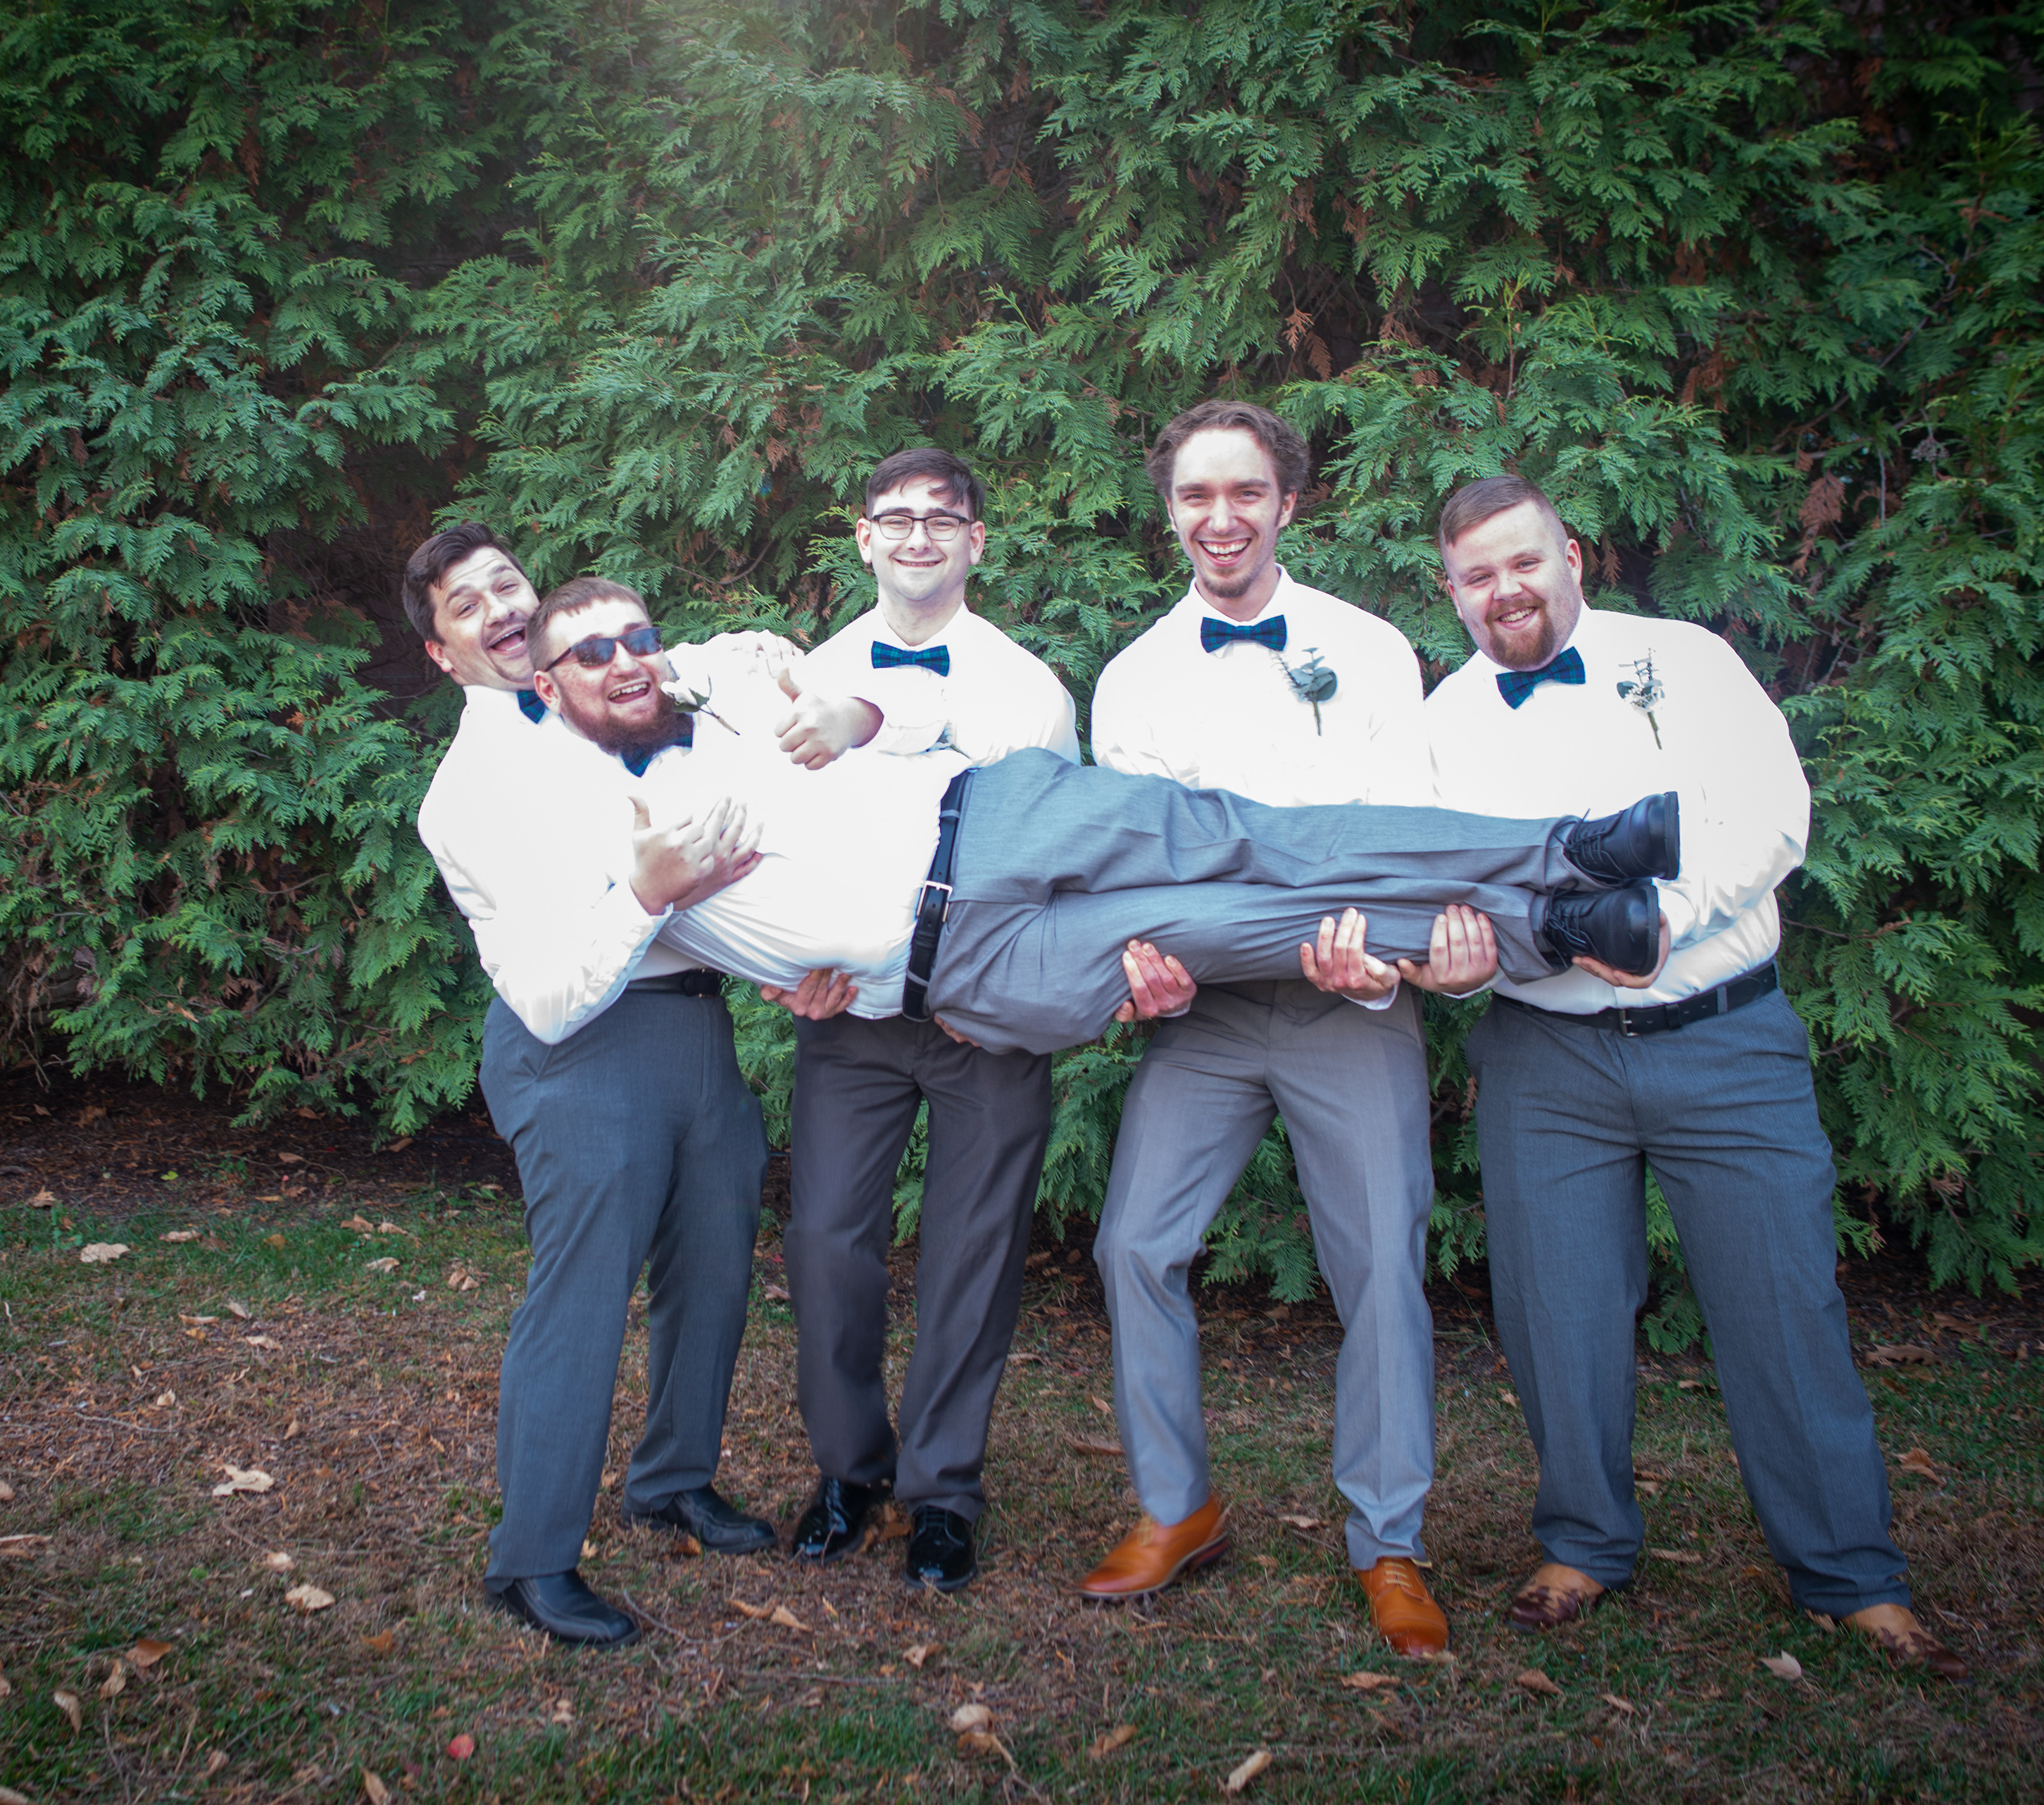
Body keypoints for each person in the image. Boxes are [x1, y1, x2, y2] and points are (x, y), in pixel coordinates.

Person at [1419, 474, 1967, 1681]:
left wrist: (1665, 919)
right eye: (1477, 576)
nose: (1506, 591)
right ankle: (1583, 1541)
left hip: (1726, 1039)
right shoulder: (1444, 720)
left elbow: (1774, 815)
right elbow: (1449, 895)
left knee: (1782, 1302)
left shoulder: (1686, 660)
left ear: (1572, 555)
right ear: (1451, 592)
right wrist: (1455, 973)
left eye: (1524, 562)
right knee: (1556, 1311)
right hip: (1545, 1056)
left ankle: (1849, 1572)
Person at [507, 575, 1681, 1061]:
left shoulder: (727, 681)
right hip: (965, 968)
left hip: (996, 815)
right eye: (592, 654)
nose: (626, 661)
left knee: (1264, 838)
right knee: (1258, 929)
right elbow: (551, 1004)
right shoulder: (581, 826)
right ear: (547, 688)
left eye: (637, 637)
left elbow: (901, 701)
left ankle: (1573, 850)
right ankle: (1563, 928)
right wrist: (648, 897)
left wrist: (824, 699)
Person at [406, 523, 883, 1649]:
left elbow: (731, 703)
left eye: (507, 584)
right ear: (441, 652)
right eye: (467, 605)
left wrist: (779, 957)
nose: (500, 609)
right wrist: (652, 896)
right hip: (578, 1053)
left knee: (713, 1272)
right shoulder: (470, 789)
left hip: (693, 1030)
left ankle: (672, 1479)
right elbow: (550, 990)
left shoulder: (599, 700)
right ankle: (532, 1560)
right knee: (580, 1300)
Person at [1074, 399, 1477, 1657]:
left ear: (1288, 504)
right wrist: (1152, 969)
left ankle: (1390, 1541)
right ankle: (1176, 1506)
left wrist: (1374, 962)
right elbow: (1143, 866)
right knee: (1135, 1244)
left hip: (1349, 1002)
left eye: (1246, 492)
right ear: (1170, 512)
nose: (1222, 518)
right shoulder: (1134, 678)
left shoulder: (1368, 649)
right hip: (1204, 1016)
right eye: (1197, 495)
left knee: (1382, 1271)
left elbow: (1401, 827)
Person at [756, 449, 1082, 1593]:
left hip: (985, 1023)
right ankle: (849, 1469)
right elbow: (774, 844)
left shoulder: (1031, 691)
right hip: (851, 1017)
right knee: (826, 1242)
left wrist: (1026, 994)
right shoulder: (808, 679)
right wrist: (777, 967)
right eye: (894, 518)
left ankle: (944, 1490)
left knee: (971, 1256)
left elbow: (1063, 859)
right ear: (862, 537)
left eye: (943, 519)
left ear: (977, 541)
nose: (917, 536)